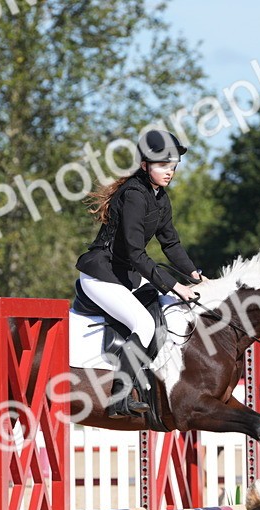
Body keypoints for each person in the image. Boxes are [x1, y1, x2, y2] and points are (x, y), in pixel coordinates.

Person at [74, 129, 202, 418]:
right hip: (101, 275)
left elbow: (171, 243)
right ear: (145, 165)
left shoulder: (160, 197)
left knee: (174, 313)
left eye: (173, 165)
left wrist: (196, 275)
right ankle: (119, 398)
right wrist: (174, 286)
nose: (169, 171)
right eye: (162, 165)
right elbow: (135, 252)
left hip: (126, 275)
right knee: (144, 324)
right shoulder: (133, 194)